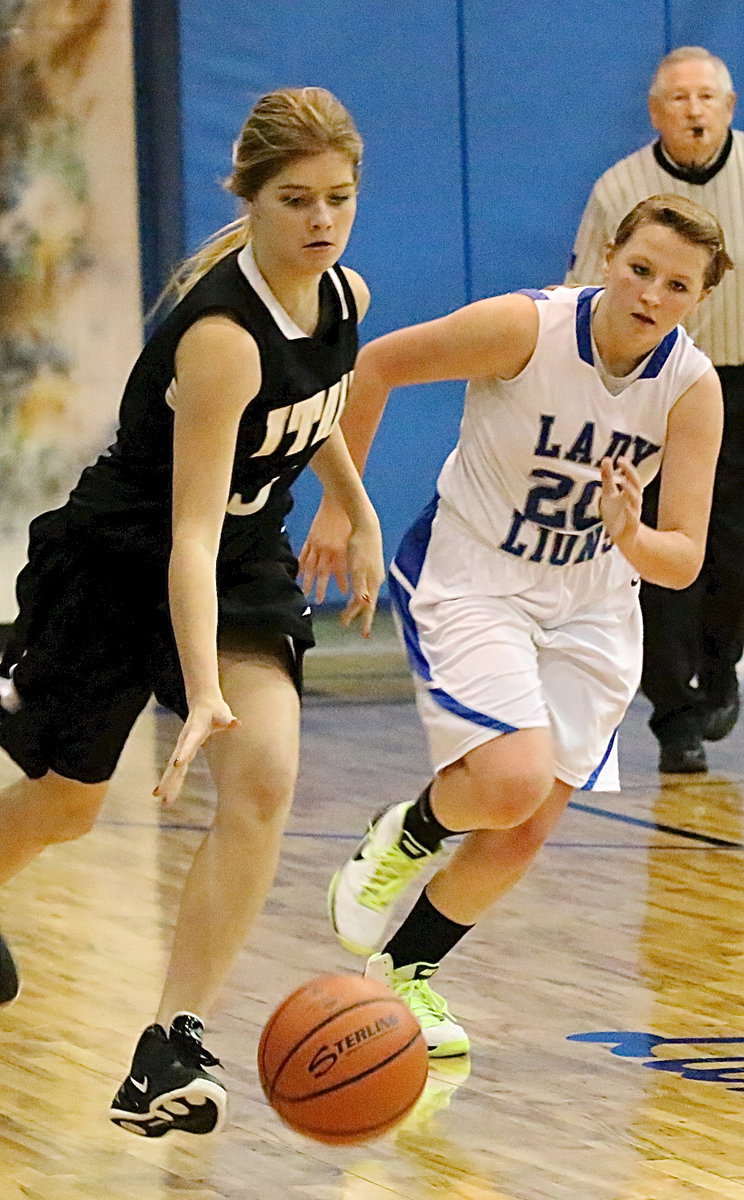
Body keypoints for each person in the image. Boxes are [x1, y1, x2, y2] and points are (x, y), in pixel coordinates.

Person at [0, 86, 383, 1135]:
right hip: (126, 563)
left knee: (264, 778)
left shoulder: (342, 292)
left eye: (338, 198)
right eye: (295, 199)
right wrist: (203, 689)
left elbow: (320, 403)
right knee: (67, 804)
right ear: (248, 200)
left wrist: (354, 506)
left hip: (242, 556)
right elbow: (188, 537)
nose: (320, 220)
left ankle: (167, 1047)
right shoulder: (220, 337)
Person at [300, 195, 730, 1056]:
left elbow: (680, 560)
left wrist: (632, 534)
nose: (651, 294)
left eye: (676, 285)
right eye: (640, 269)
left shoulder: (691, 389)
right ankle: (410, 830)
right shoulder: (523, 330)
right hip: (478, 576)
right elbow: (376, 365)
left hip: (595, 601)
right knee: (508, 780)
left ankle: (405, 974)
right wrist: (342, 509)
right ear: (607, 257)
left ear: (698, 300)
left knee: (528, 823)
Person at [566, 46, 744, 774]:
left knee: (731, 550)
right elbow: (583, 287)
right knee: (665, 547)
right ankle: (675, 715)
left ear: (729, 108)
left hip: (743, 381)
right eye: (679, 99)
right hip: (658, 386)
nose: (694, 110)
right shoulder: (621, 189)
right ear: (655, 112)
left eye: (708, 98)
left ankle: (720, 661)